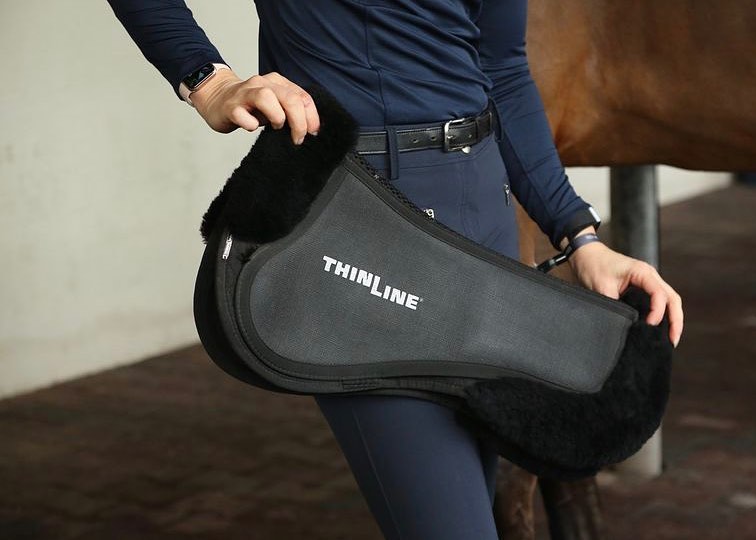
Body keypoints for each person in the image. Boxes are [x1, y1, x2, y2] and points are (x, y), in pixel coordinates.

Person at [108, 1, 684, 538]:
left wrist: (579, 235)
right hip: (361, 215)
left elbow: (502, 68)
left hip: (483, 212)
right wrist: (208, 80)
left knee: (478, 498)